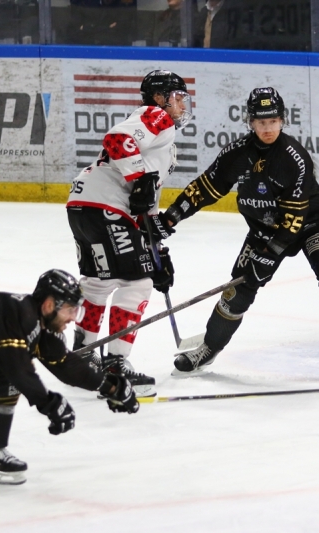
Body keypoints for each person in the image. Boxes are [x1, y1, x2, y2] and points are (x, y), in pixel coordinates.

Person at [162, 87, 319, 377]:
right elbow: (204, 188)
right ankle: (208, 348)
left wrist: (268, 256)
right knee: (236, 292)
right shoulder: (237, 153)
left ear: (282, 120)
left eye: (273, 121)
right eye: (261, 122)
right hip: (265, 231)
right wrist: (170, 217)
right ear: (251, 122)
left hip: (313, 224)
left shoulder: (294, 157)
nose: (268, 128)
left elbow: (294, 219)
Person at [0, 270, 139, 485]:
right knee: (4, 374)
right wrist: (48, 403)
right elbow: (15, 368)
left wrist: (110, 386)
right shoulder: (22, 315)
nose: (72, 318)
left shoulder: (40, 325)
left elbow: (65, 364)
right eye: (70, 310)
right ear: (50, 305)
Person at [66, 69, 193, 397]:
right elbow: (116, 139)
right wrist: (142, 177)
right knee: (137, 282)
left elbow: (144, 202)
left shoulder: (160, 139)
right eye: (177, 97)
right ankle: (115, 366)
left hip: (83, 204)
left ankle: (82, 357)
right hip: (107, 207)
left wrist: (157, 253)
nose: (182, 104)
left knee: (98, 282)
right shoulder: (156, 117)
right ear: (160, 99)